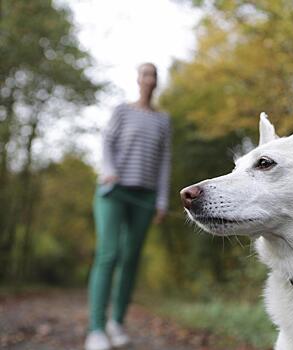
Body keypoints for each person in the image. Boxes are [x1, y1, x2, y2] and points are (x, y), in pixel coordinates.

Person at [85, 63, 171, 350]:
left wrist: (161, 200)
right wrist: (109, 169)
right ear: (138, 79)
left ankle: (116, 322)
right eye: (145, 74)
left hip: (144, 197)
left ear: (157, 82)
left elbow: (164, 162)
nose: (149, 79)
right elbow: (107, 142)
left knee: (131, 259)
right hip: (114, 191)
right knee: (108, 254)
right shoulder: (122, 110)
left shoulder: (163, 120)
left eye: (154, 75)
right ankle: (96, 328)